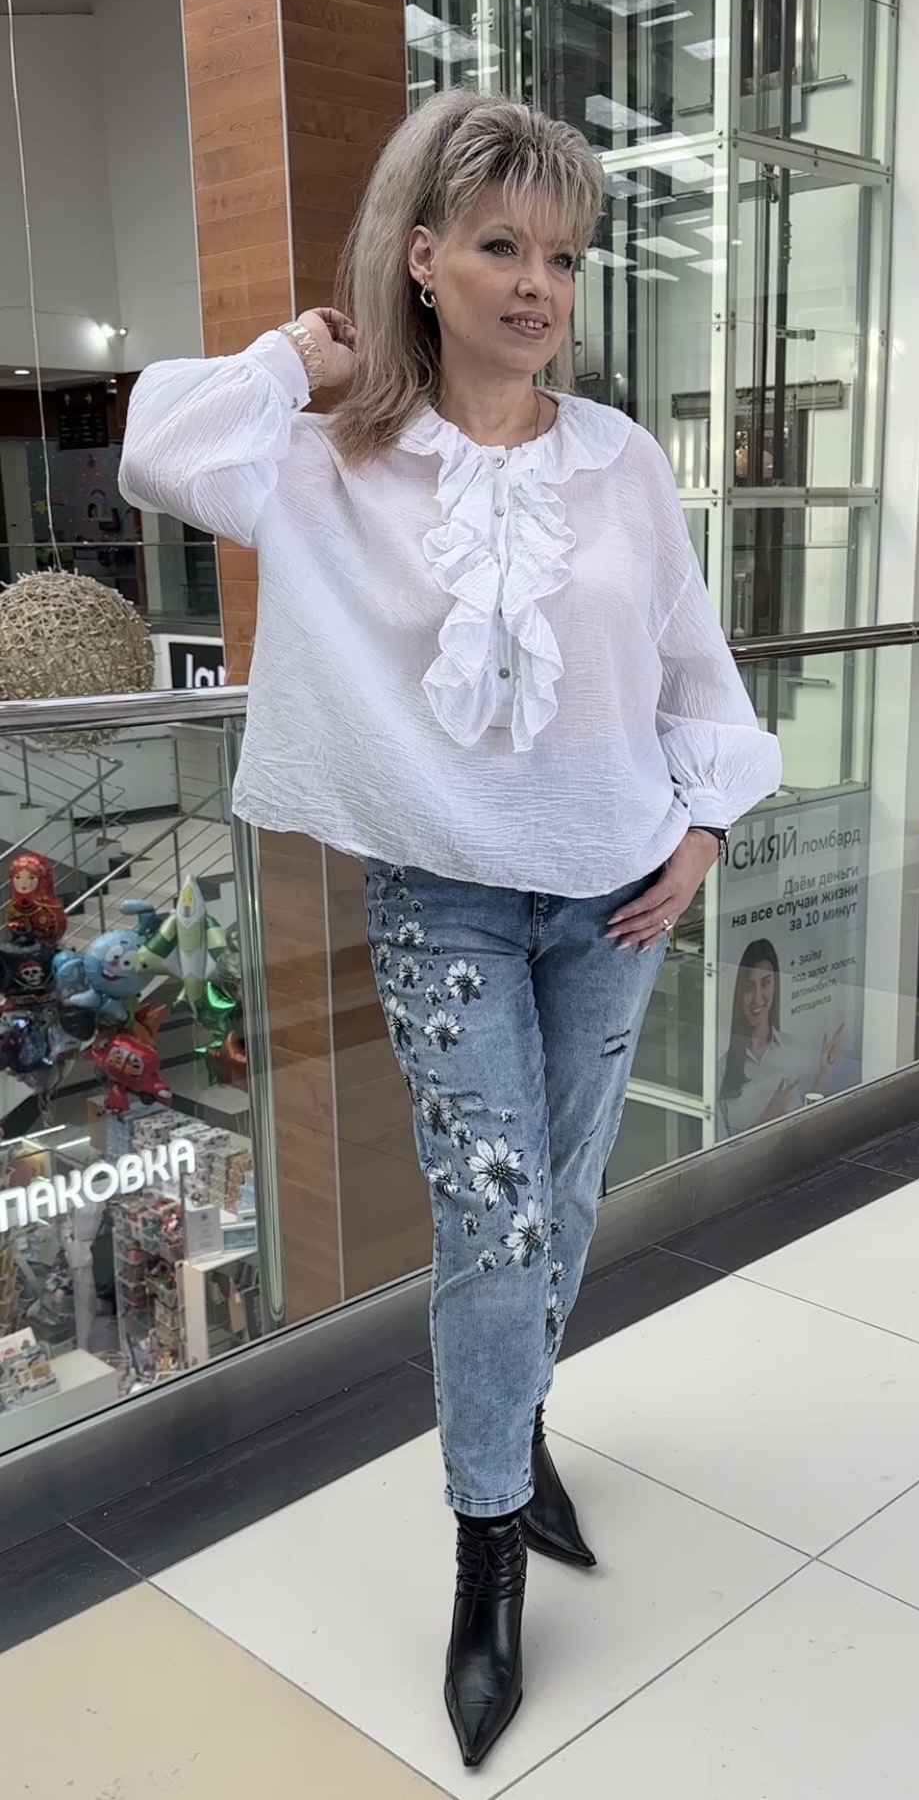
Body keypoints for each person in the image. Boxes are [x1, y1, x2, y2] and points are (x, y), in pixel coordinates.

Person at [118, 92, 782, 1769]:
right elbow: (162, 449)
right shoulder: (336, 458)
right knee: (494, 1224)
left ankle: (518, 1424)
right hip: (443, 900)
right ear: (421, 258)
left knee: (562, 1198)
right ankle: (488, 1553)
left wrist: (704, 826)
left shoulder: (618, 462)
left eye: (562, 254)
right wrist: (299, 349)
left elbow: (691, 667)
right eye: (499, 246)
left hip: (619, 894)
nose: (537, 284)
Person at [717, 937, 843, 1139]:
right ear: (739, 994)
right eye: (749, 988)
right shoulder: (721, 1070)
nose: (758, 998)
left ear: (775, 986)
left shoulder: (790, 1047)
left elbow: (803, 1124)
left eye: (765, 984)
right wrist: (766, 1119)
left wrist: (824, 1073)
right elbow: (719, 1151)